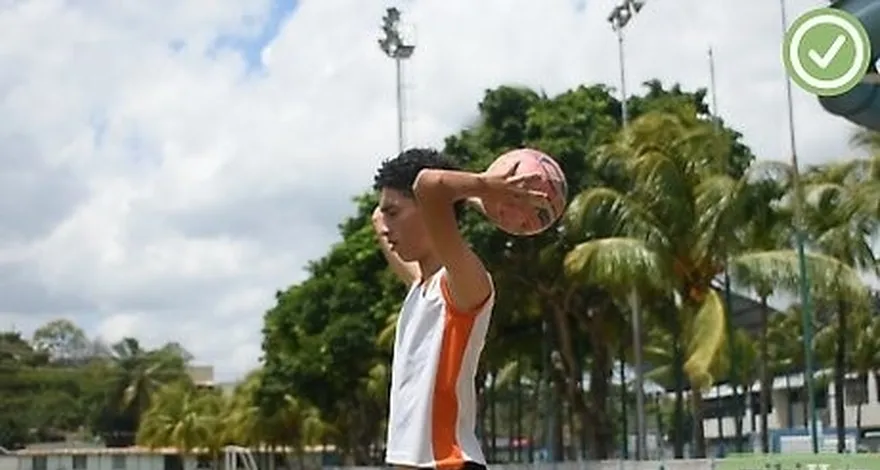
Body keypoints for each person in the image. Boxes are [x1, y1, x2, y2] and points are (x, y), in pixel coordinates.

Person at [370, 148, 546, 470]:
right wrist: (475, 200)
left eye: (394, 213)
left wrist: (485, 188)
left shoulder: (461, 285)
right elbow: (380, 215)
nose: (385, 226)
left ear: (427, 210)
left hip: (449, 462)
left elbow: (430, 184)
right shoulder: (419, 288)